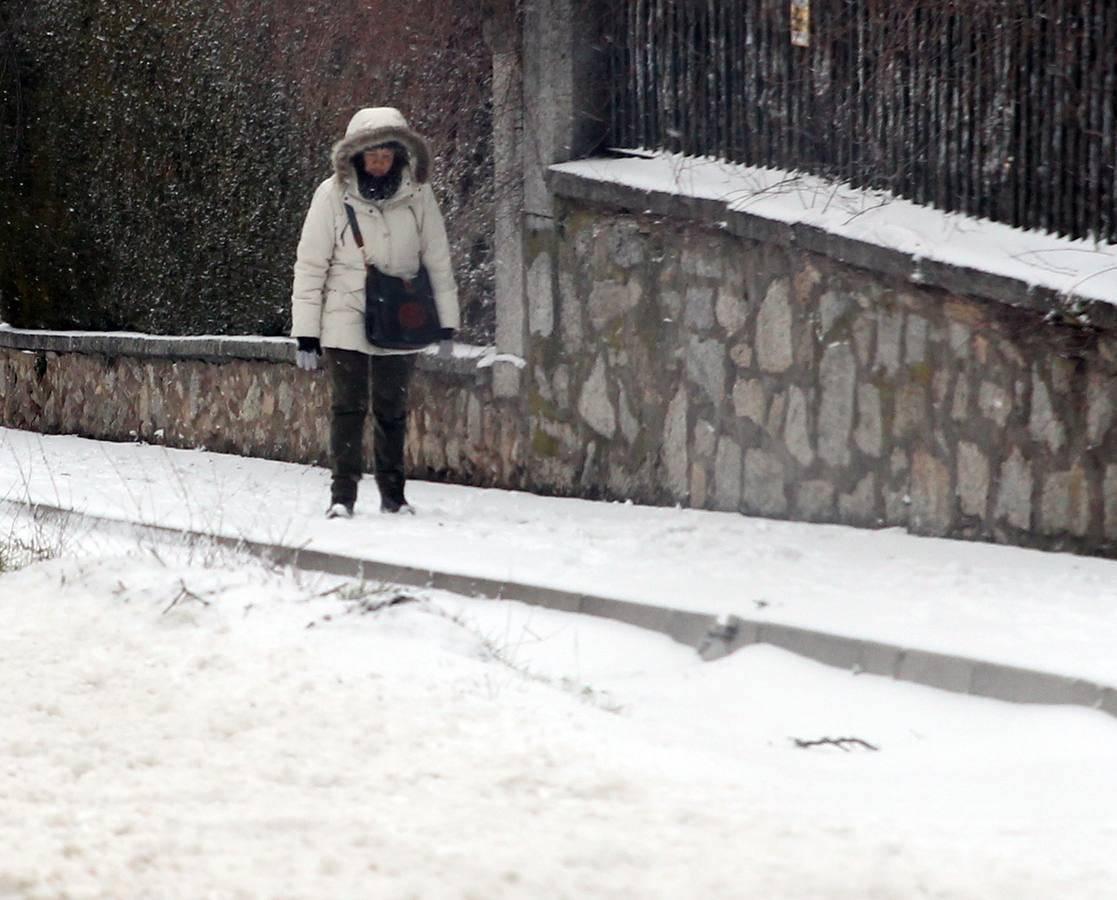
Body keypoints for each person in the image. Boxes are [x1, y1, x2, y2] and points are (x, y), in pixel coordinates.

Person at [291, 107, 458, 518]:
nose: (379, 161)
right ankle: (342, 496)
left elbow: (437, 257)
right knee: (347, 407)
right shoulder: (330, 195)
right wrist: (306, 333)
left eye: (386, 154)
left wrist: (447, 322)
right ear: (356, 156)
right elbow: (311, 264)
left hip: (402, 315)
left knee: (392, 408)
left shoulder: (418, 195)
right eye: (372, 154)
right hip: (344, 315)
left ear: (400, 154)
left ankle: (393, 494)